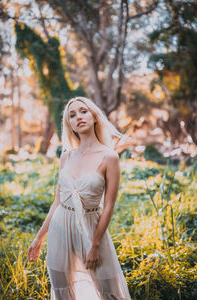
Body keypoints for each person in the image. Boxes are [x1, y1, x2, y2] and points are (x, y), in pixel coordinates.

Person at [27, 97, 131, 300]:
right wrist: (39, 237)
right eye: (72, 115)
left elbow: (109, 206)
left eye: (83, 111)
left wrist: (95, 244)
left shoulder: (109, 157)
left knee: (107, 287)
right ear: (69, 125)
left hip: (91, 229)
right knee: (62, 288)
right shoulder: (66, 156)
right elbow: (57, 201)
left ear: (94, 117)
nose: (78, 117)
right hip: (60, 227)